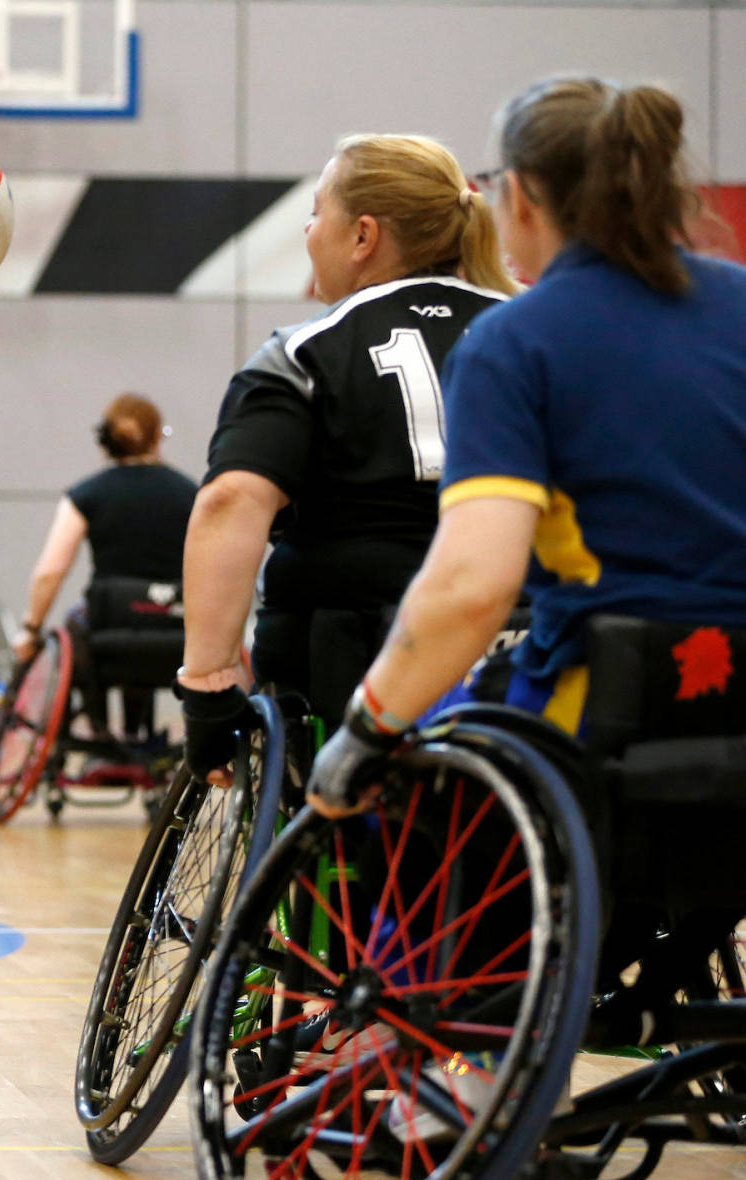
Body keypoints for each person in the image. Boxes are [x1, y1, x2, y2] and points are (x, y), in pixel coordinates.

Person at [307, 78, 746, 816]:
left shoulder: (514, 342)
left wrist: (363, 728)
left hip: (617, 697)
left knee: (404, 800)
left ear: (520, 197)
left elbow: (472, 586)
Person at [176, 133, 517, 777]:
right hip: (519, 643)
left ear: (362, 236)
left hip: (350, 652)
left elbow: (231, 502)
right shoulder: (534, 330)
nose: (309, 230)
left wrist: (208, 682)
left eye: (315, 212)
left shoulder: (305, 354)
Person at [11, 393, 196, 668]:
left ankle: (96, 712)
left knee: (74, 628)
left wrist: (31, 629)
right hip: (178, 624)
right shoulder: (192, 493)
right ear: (157, 437)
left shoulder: (86, 494)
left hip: (107, 621)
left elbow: (51, 572)